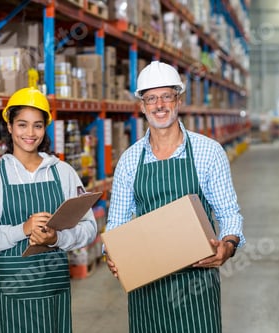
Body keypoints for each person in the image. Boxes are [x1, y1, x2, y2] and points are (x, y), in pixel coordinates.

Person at [105, 61, 245, 333]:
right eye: (151, 98)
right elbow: (116, 223)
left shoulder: (209, 152)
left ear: (178, 100)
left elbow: (228, 213)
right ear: (142, 106)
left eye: (166, 96)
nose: (160, 105)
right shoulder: (130, 160)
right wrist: (112, 252)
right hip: (147, 283)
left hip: (197, 282)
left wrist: (227, 245)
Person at [0, 87, 97, 333]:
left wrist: (58, 238)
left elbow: (89, 229)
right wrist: (22, 229)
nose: (30, 133)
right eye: (22, 125)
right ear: (10, 126)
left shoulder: (63, 172)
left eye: (37, 125)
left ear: (45, 128)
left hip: (53, 289)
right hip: (12, 293)